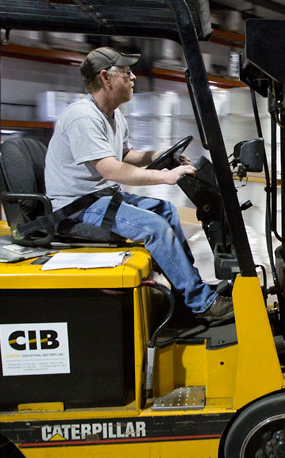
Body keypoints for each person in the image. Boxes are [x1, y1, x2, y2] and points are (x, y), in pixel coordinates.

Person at [44, 47, 232, 322]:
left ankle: (188, 292)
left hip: (99, 198)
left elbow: (124, 155)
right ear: (106, 77)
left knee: (167, 211)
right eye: (127, 72)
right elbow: (111, 169)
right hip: (76, 208)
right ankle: (202, 303)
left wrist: (159, 155)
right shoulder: (83, 117)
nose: (133, 77)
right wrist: (166, 177)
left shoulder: (112, 114)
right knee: (154, 228)